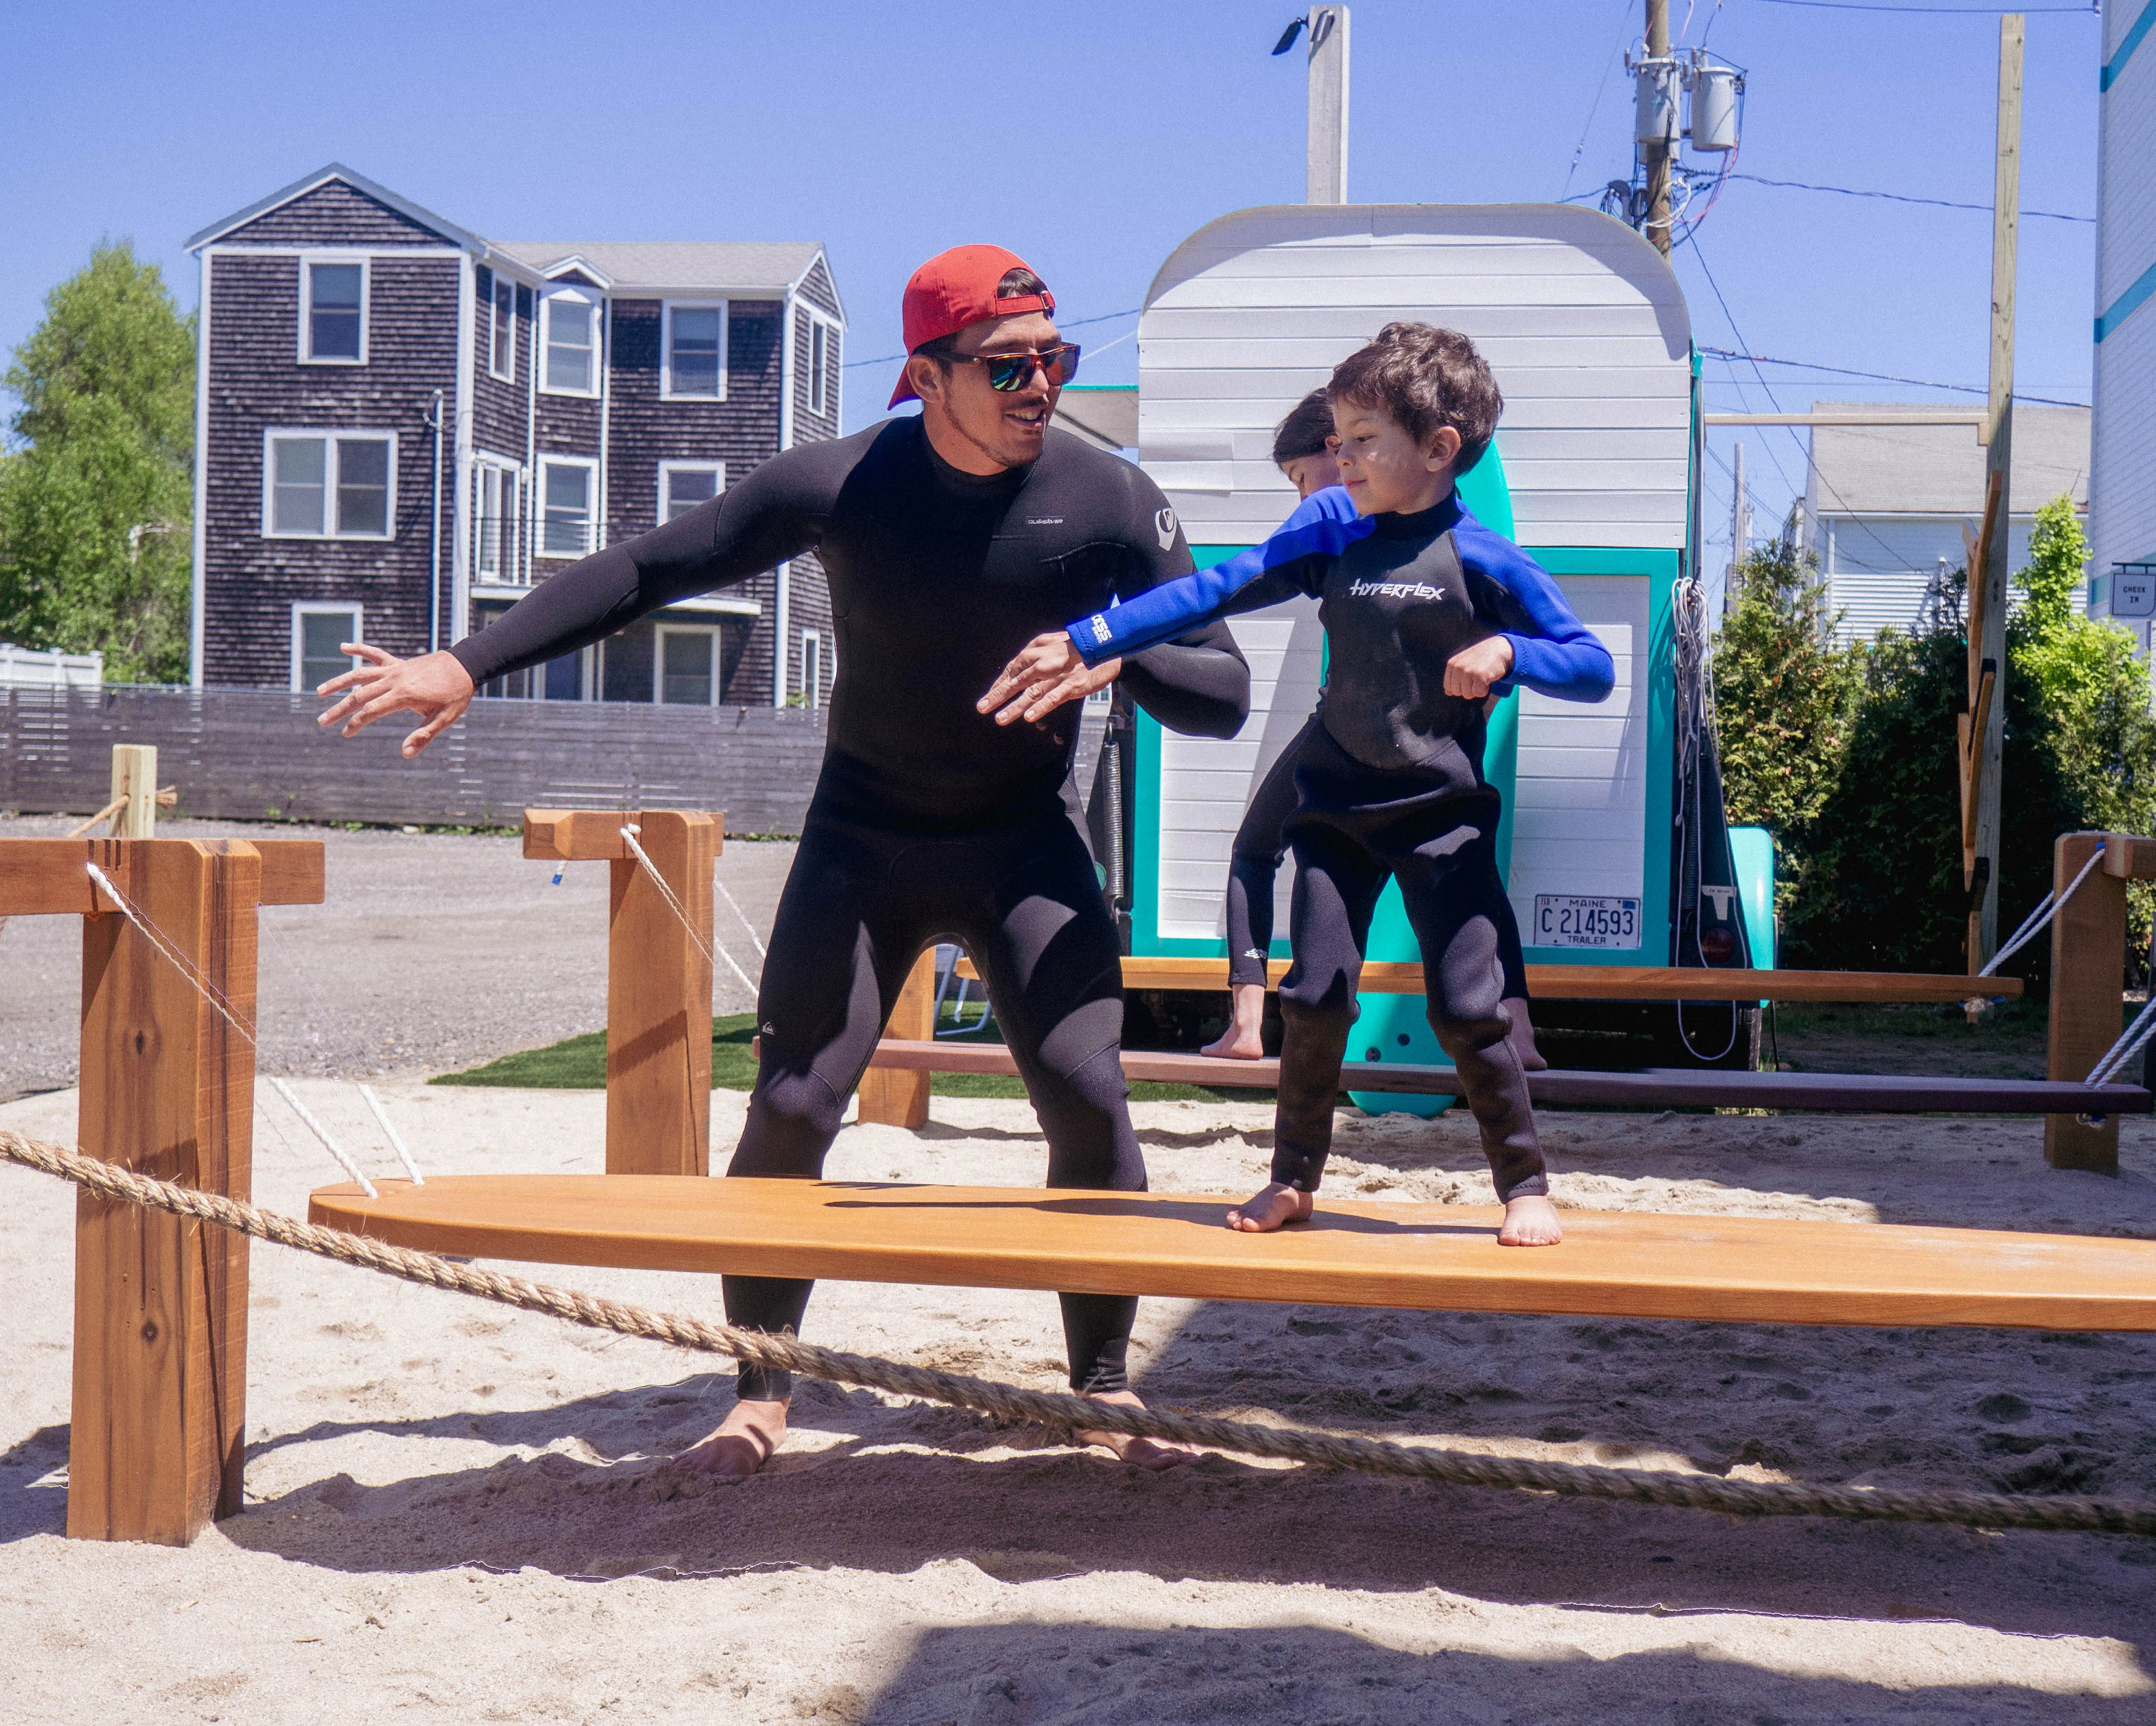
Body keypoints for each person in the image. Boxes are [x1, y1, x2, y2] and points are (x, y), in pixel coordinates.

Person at [315, 245, 1250, 1473]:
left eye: (1055, 359)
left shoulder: (1111, 497)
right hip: (865, 834)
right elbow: (653, 568)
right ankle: (759, 1390)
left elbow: (1224, 691)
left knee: (1084, 1094)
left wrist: (1118, 650)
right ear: (925, 374)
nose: (1041, 385)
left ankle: (1096, 1383)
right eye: (1010, 363)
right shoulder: (841, 484)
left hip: (1024, 840)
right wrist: (467, 661)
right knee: (798, 1101)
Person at [982, 322, 1612, 1248]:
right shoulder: (1331, 530)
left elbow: (1591, 665)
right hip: (1337, 808)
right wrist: (1091, 637)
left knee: (1468, 1009)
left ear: (1438, 452)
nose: (1342, 457)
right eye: (1339, 439)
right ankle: (1293, 1181)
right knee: (1313, 996)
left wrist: (1511, 649)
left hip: (1441, 818)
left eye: (1363, 441)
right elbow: (1217, 589)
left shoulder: (1485, 560)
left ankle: (1522, 1185)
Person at [1202, 388, 1547, 1074]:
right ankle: (1524, 1028)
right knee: (1467, 877)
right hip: (1357, 725)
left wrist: (1494, 674)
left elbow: (1497, 629)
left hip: (1390, 736)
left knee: (1260, 849)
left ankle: (1246, 1019)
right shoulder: (1353, 533)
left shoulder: (1417, 531)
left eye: (1301, 480)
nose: (1302, 501)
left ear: (1339, 453)